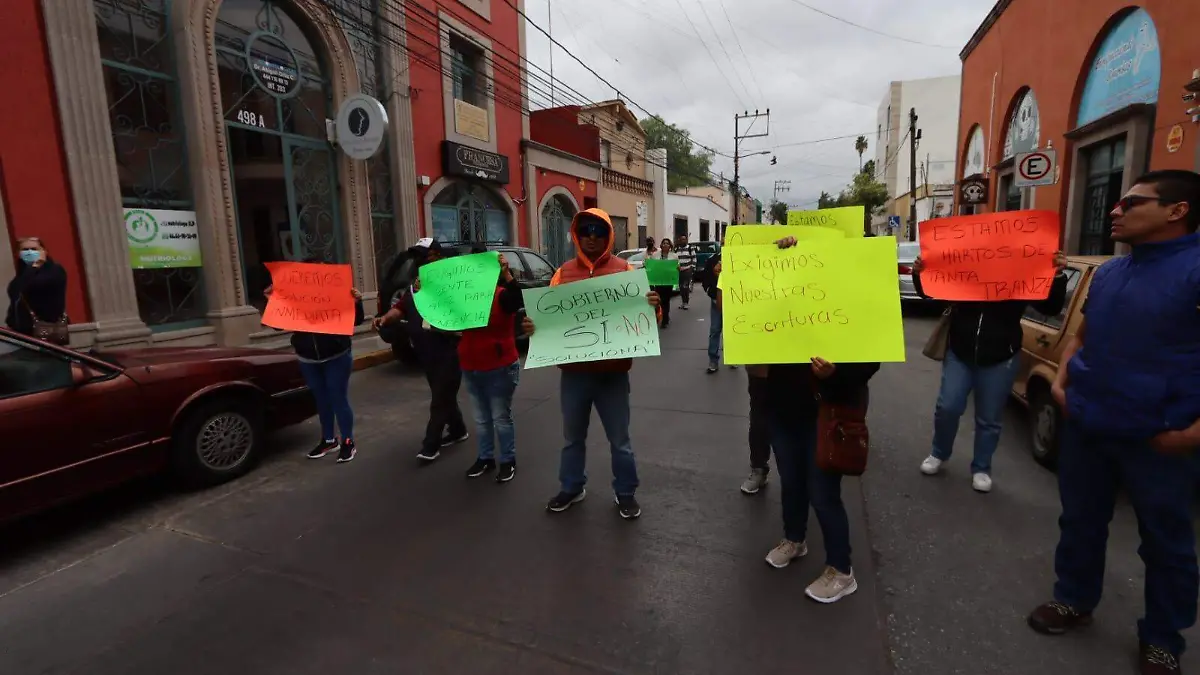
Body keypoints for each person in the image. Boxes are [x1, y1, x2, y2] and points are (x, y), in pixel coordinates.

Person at [1026, 170, 1200, 675]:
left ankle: (1163, 638)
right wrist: (1062, 380)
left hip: (1161, 437)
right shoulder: (1111, 273)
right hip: (1088, 424)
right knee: (1080, 520)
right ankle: (1073, 600)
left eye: (1131, 203)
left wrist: (1194, 432)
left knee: (1165, 543)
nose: (1115, 211)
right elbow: (1083, 334)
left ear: (1177, 210)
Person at [762, 235, 880, 604]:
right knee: (792, 481)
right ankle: (794, 539)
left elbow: (869, 361)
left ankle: (841, 570)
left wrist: (835, 375)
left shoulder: (854, 302)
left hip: (827, 411)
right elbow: (746, 309)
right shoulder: (782, 292)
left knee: (823, 493)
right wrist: (759, 258)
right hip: (783, 405)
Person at [522, 208, 660, 520]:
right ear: (577, 235)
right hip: (575, 376)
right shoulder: (562, 273)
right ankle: (571, 487)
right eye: (586, 231)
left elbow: (648, 318)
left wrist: (654, 308)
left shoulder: (626, 271)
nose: (592, 237)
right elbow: (546, 321)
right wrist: (532, 328)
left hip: (612, 375)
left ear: (609, 235)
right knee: (573, 438)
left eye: (599, 231)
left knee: (620, 441)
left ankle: (625, 493)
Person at [912, 248, 1069, 492]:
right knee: (948, 407)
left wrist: (1057, 275)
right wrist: (919, 273)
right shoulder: (966, 268)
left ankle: (982, 468)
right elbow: (929, 292)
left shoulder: (1021, 272)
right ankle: (938, 453)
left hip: (1001, 356)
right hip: (960, 352)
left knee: (989, 417)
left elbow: (1049, 307)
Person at [374, 239, 469, 462]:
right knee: (442, 393)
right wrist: (385, 318)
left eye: (424, 256)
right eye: (418, 257)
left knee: (439, 398)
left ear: (437, 256)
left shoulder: (456, 282)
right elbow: (401, 308)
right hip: (426, 351)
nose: (420, 261)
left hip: (450, 349)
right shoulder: (414, 285)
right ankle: (458, 430)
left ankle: (431, 444)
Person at [266, 261, 364, 463]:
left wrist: (357, 302)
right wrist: (273, 300)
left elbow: (356, 321)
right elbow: (277, 325)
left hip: (336, 356)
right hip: (307, 358)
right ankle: (329, 440)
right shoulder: (297, 296)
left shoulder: (337, 292)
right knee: (321, 400)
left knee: (338, 399)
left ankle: (348, 442)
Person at [459, 253, 524, 483]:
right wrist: (419, 289)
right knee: (481, 418)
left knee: (500, 417)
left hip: (500, 367)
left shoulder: (502, 296)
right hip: (471, 365)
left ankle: (508, 460)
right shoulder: (463, 298)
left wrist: (507, 274)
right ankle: (485, 458)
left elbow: (518, 299)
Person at [6, 237, 68, 343]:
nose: (29, 252)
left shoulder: (54, 270)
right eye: (25, 250)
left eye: (34, 249)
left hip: (45, 330)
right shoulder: (22, 273)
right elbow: (14, 290)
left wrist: (35, 266)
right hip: (21, 332)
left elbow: (33, 285)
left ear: (44, 251)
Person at [652, 238, 678, 329]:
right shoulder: (655, 255)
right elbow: (652, 267)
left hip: (668, 282)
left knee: (666, 301)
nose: (665, 245)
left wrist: (677, 269)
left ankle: (665, 319)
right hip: (658, 281)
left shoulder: (674, 256)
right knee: (658, 300)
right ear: (661, 245)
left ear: (670, 246)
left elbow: (676, 268)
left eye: (667, 243)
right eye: (664, 243)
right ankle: (659, 316)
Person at [676, 234, 696, 310]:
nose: (683, 241)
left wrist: (692, 268)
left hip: (687, 270)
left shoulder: (690, 248)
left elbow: (694, 258)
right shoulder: (676, 249)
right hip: (679, 270)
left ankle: (686, 303)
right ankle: (683, 302)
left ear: (686, 240)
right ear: (679, 240)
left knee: (685, 286)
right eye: (681, 239)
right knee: (681, 287)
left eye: (684, 239)